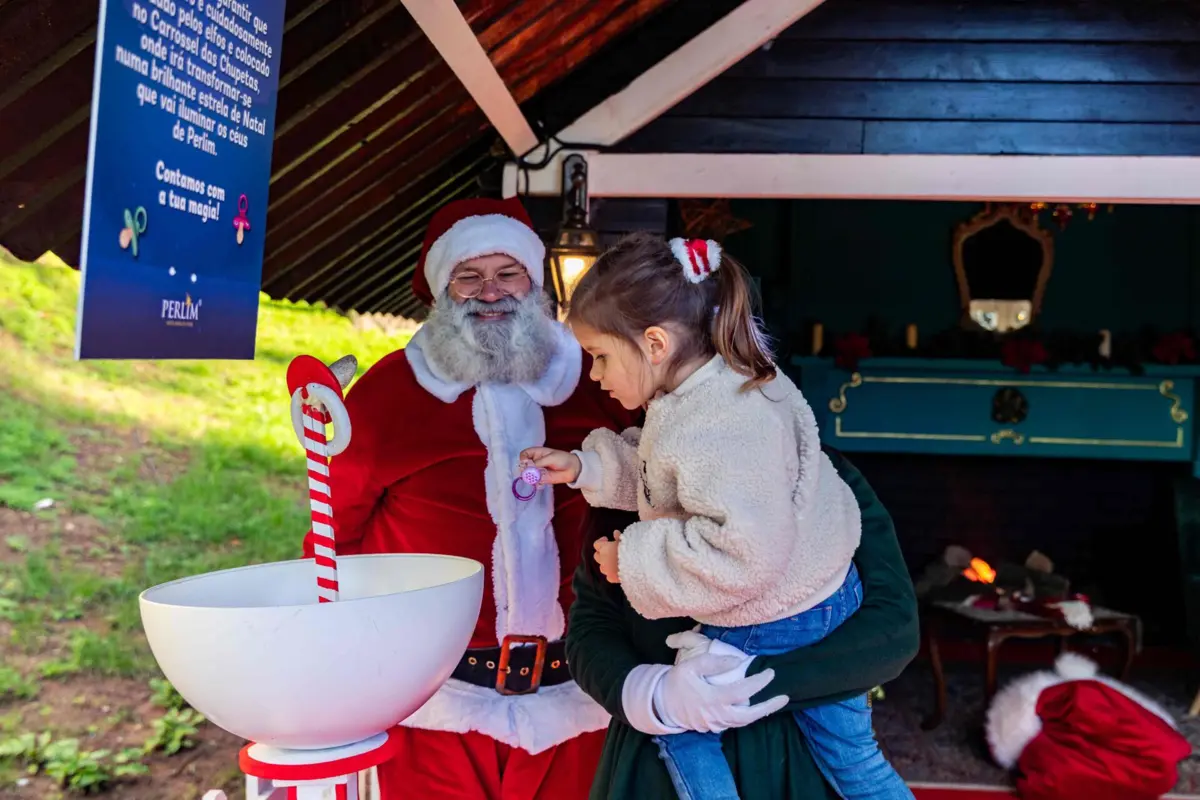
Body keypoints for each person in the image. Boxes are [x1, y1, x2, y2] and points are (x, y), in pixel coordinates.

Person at [308, 198, 778, 800]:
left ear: (537, 284)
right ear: (437, 293)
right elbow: (333, 539)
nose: (490, 292)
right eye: (468, 277)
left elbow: (677, 473)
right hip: (434, 702)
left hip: (577, 690)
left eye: (509, 274)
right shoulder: (388, 394)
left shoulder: (600, 373)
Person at [521, 232, 914, 799]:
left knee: (683, 725)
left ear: (654, 343)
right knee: (857, 761)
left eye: (600, 355)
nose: (595, 375)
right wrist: (586, 466)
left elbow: (742, 548)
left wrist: (627, 557)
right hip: (825, 595)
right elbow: (668, 472)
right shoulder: (714, 396)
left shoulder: (716, 425)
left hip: (778, 617)